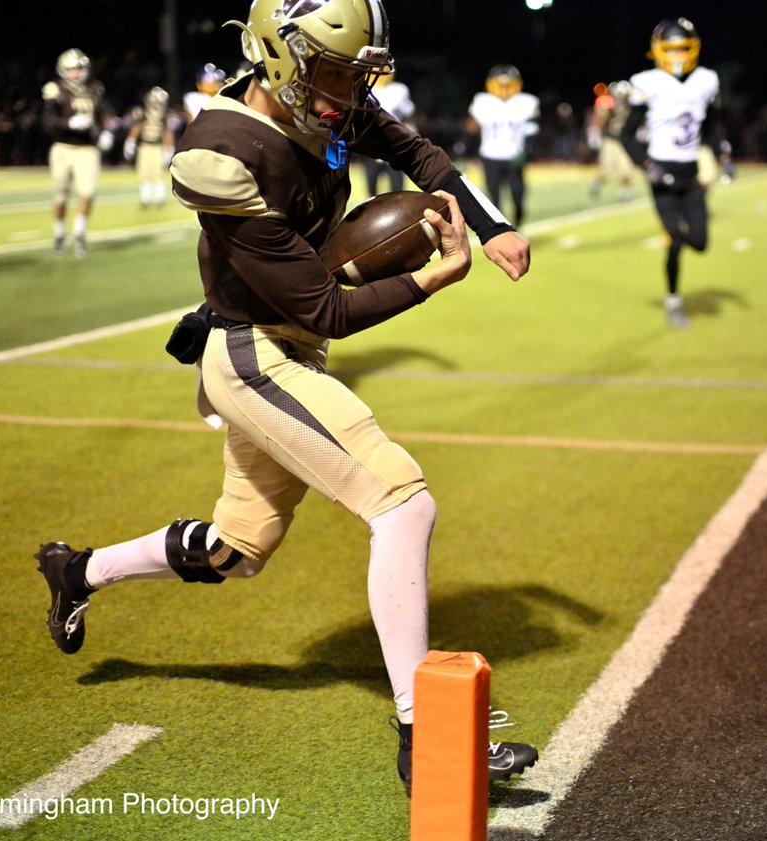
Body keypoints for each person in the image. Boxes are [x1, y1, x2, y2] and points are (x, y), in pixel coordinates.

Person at [34, 0, 537, 791]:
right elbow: (325, 306)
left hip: (284, 344)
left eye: (355, 73)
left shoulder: (324, 98)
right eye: (334, 71)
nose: (347, 91)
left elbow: (423, 156)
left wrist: (491, 224)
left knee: (237, 550)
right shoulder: (219, 152)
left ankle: (79, 571)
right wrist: (430, 278)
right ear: (281, 58)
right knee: (403, 500)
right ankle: (427, 733)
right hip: (253, 352)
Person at [621, 18, 730, 329]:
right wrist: (648, 166)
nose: (678, 55)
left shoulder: (706, 80)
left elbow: (709, 126)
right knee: (677, 242)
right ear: (658, 50)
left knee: (700, 242)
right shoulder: (647, 82)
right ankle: (673, 299)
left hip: (691, 176)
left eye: (683, 48)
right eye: (672, 49)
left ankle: (675, 292)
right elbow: (627, 135)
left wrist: (723, 152)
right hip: (662, 178)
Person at [42, 48, 107, 258]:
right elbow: (47, 122)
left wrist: (105, 132)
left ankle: (79, 233)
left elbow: (101, 116)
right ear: (62, 70)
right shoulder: (55, 89)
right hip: (62, 147)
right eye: (70, 69)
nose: (75, 73)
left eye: (78, 69)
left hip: (87, 149)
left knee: (88, 192)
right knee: (61, 195)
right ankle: (59, 234)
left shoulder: (95, 89)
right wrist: (68, 124)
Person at [466, 64, 539, 228]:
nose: (504, 89)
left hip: (515, 155)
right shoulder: (482, 101)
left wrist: (529, 149)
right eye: (500, 85)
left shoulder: (525, 102)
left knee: (517, 193)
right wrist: (464, 145)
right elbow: (472, 127)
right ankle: (501, 228)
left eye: (508, 84)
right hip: (490, 155)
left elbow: (533, 130)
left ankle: (518, 215)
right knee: (493, 195)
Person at [361, 70, 415, 195]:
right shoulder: (365, 88)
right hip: (371, 140)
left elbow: (408, 112)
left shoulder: (399, 89)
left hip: (393, 141)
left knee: (397, 189)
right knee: (371, 186)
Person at [587, 80, 637, 202]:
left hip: (625, 141)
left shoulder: (632, 105)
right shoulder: (607, 103)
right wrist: (594, 134)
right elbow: (598, 119)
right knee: (605, 169)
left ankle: (625, 192)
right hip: (610, 140)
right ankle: (597, 184)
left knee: (626, 169)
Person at [124, 87, 173, 208]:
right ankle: (145, 199)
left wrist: (169, 148)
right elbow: (137, 127)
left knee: (157, 173)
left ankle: (159, 198)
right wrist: (130, 141)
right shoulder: (143, 113)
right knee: (144, 173)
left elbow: (167, 132)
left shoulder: (165, 115)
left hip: (157, 146)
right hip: (145, 145)